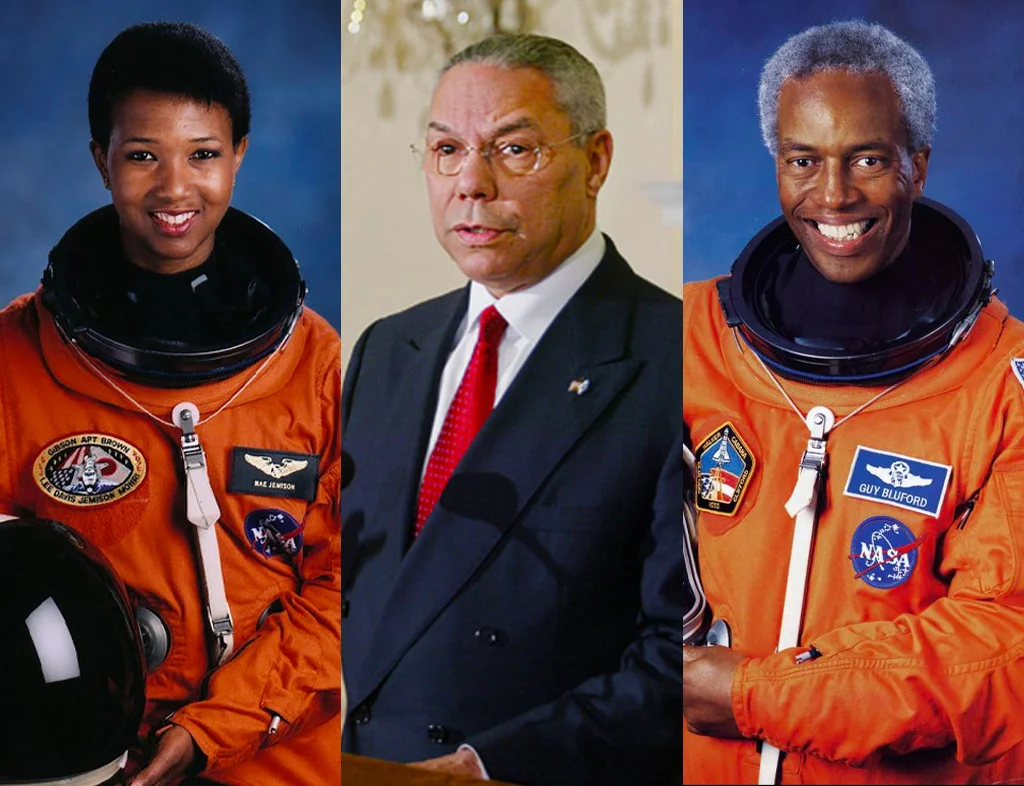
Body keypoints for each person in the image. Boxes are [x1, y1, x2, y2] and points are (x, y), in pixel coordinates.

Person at [683, 20, 1024, 784]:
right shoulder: (692, 338)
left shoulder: (1004, 384)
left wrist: (754, 693)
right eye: (803, 160)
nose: (833, 196)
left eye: (868, 159)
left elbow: (1000, 649)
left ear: (918, 166)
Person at [0, 22, 341, 786]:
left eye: (204, 155)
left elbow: (349, 589)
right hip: (82, 762)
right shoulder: (14, 364)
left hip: (278, 760)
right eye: (143, 156)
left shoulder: (316, 367)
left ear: (241, 153)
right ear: (101, 159)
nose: (176, 189)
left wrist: (213, 730)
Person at [341, 33, 683, 786]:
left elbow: (683, 653)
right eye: (445, 150)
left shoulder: (675, 360)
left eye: (514, 150)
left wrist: (489, 764)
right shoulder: (385, 351)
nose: (472, 183)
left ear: (595, 162)